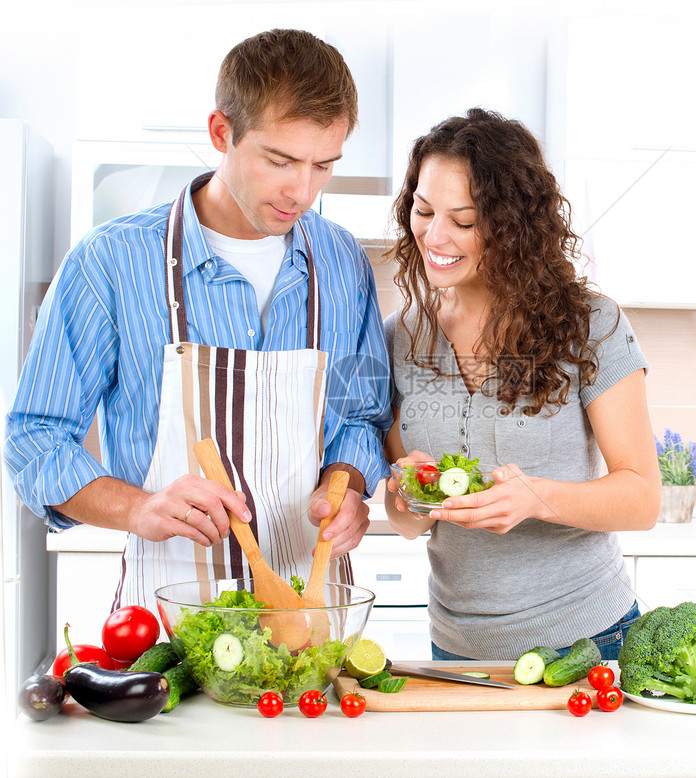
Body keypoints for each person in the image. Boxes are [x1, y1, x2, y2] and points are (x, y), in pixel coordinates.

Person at [4, 29, 391, 611]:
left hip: (314, 618)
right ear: (221, 132)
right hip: (164, 616)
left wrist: (347, 488)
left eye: (323, 166)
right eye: (279, 160)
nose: (302, 191)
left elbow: (359, 419)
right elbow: (35, 439)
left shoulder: (341, 262)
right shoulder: (111, 261)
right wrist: (140, 507)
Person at [383, 108, 661, 662]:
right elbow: (407, 523)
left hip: (589, 643)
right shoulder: (399, 337)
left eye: (463, 221)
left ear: (511, 226)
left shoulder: (590, 324)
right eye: (423, 209)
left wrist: (537, 499)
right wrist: (409, 497)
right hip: (458, 651)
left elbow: (642, 498)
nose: (434, 236)